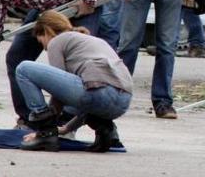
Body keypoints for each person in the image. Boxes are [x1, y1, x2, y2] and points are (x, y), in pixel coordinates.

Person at [15, 10, 133, 152]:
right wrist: (65, 129)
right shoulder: (92, 41)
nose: (45, 49)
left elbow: (58, 93)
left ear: (47, 32)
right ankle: (106, 131)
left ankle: (45, 135)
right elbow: (90, 97)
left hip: (99, 93)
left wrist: (45, 130)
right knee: (88, 91)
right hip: (122, 102)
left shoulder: (57, 41)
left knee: (23, 69)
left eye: (42, 42)